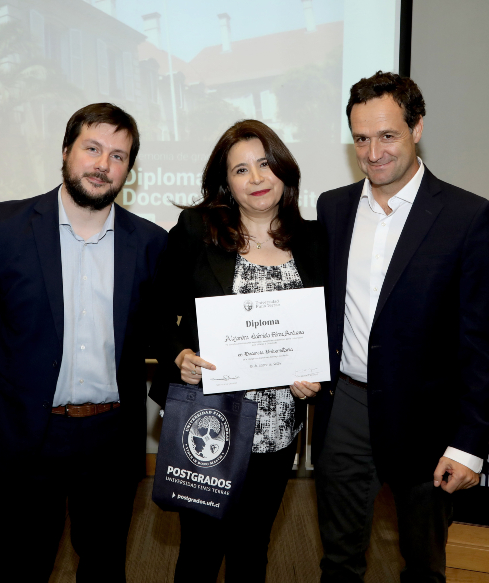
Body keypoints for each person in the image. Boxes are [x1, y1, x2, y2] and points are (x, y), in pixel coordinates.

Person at [0, 103, 167, 582]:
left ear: (129, 170)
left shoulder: (150, 243)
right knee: (21, 567)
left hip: (111, 439)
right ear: (66, 151)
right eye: (92, 148)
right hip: (26, 434)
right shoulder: (4, 227)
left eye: (118, 156)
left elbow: (151, 328)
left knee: (104, 567)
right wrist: (22, 363)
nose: (103, 164)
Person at [313, 71, 489, 583]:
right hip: (345, 409)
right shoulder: (333, 208)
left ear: (417, 128)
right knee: (338, 561)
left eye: (387, 135)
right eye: (361, 139)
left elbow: (482, 345)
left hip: (428, 423)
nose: (373, 152)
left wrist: (468, 444)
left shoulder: (467, 216)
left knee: (423, 567)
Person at [149, 119, 326, 582]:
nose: (257, 179)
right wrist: (179, 355)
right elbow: (154, 310)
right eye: (241, 170)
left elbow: (327, 326)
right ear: (226, 183)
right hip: (209, 421)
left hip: (278, 427)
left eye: (265, 164)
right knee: (200, 550)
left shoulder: (314, 240)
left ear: (284, 169)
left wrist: (316, 376)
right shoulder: (196, 231)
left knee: (252, 547)